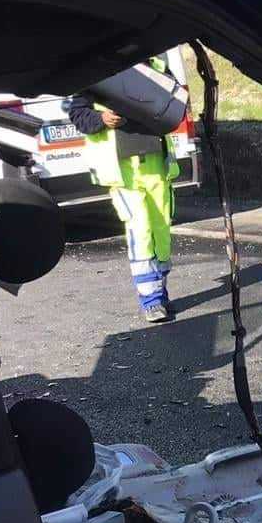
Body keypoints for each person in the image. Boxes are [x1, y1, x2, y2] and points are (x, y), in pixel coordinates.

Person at [69, 54, 181, 324]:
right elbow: (78, 114)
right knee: (139, 229)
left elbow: (175, 105)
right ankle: (150, 301)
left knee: (161, 230)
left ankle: (159, 289)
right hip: (122, 170)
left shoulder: (155, 66)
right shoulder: (95, 73)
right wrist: (101, 118)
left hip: (155, 163)